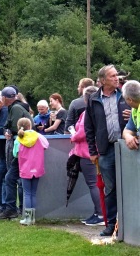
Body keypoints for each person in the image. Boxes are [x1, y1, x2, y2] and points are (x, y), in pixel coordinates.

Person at [84, 64, 131, 236]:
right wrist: (92, 151)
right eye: (112, 76)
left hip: (128, 148)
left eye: (116, 75)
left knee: (131, 185)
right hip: (105, 150)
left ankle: (131, 224)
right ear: (103, 80)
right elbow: (89, 128)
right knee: (110, 188)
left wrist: (133, 113)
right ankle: (111, 225)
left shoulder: (127, 94)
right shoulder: (94, 99)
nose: (116, 78)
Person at [0, 86, 32, 220]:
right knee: (12, 178)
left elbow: (14, 127)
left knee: (14, 179)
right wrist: (6, 130)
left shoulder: (16, 108)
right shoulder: (15, 108)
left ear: (5, 98)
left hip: (21, 148)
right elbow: (7, 126)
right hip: (20, 147)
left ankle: (16, 209)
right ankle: (15, 208)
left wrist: (8, 130)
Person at [69, 86, 104, 226]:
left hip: (88, 154)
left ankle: (100, 214)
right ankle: (98, 212)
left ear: (86, 98)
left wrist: (73, 135)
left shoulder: (88, 112)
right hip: (92, 152)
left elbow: (83, 132)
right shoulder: (94, 111)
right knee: (96, 184)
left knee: (94, 184)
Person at [14, 117, 49, 226]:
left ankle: (28, 218)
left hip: (25, 169)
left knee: (27, 193)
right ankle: (32, 218)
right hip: (37, 167)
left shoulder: (19, 139)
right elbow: (46, 145)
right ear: (31, 125)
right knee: (33, 193)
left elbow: (15, 153)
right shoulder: (38, 136)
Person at [122, 80, 140, 151]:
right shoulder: (134, 110)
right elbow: (127, 130)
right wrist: (128, 136)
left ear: (130, 99)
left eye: (125, 99)